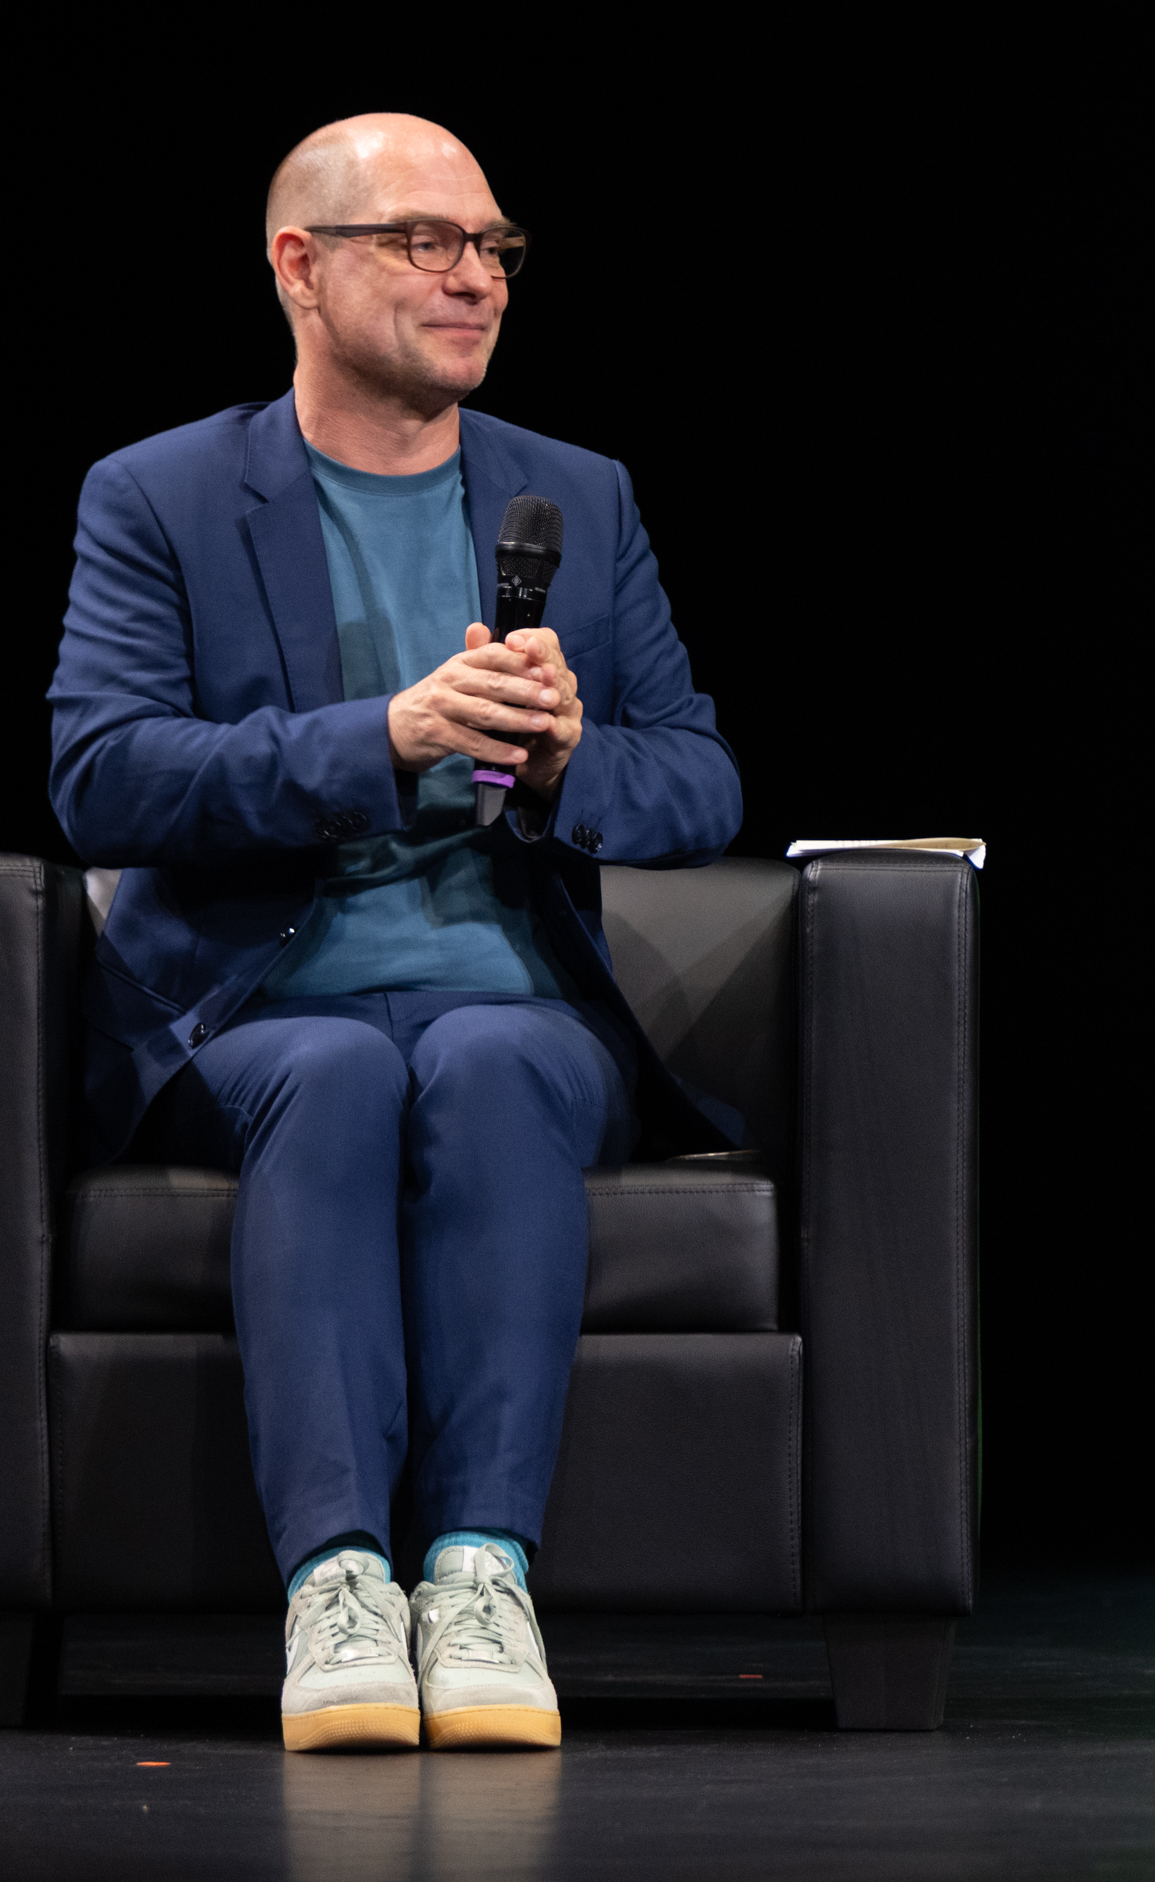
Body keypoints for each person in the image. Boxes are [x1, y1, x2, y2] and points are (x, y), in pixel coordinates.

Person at [47, 114, 742, 1752]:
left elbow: (700, 778)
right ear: (301, 266)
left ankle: (483, 1574)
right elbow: (103, 773)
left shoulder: (577, 493)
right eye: (426, 241)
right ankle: (337, 1587)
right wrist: (386, 738)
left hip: (518, 996)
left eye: (494, 246)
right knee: (337, 1074)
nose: (473, 276)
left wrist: (568, 759)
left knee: (491, 1059)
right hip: (254, 1010)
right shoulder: (161, 494)